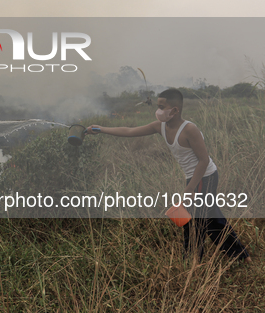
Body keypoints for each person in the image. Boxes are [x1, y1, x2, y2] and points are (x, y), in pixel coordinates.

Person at [86, 89, 251, 263]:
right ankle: (237, 256)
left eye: (161, 107)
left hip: (204, 177)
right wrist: (100, 128)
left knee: (199, 220)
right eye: (158, 106)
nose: (158, 110)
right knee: (209, 217)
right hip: (193, 178)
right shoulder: (160, 126)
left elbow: (203, 161)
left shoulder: (189, 129)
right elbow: (129, 130)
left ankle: (195, 261)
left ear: (174, 110)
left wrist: (189, 189)